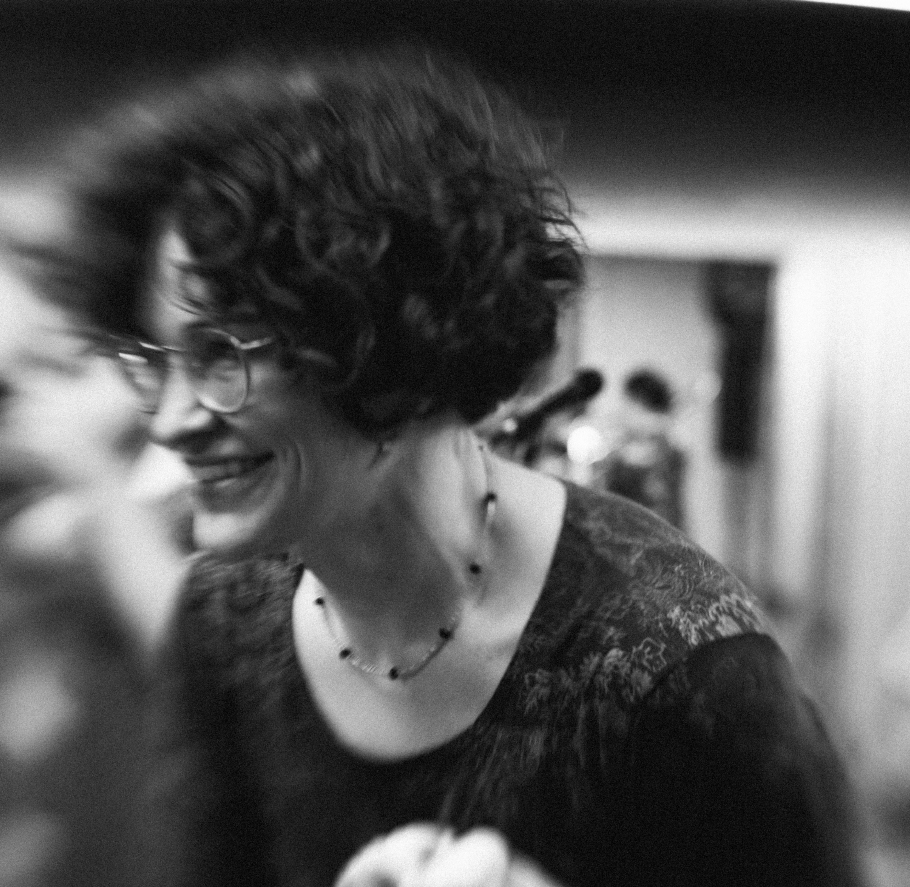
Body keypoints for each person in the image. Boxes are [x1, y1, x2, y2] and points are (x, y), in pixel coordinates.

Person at [43, 50, 862, 887]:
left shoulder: (680, 667)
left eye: (223, 352)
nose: (172, 422)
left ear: (381, 343)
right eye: (155, 361)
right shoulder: (223, 624)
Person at [596, 367, 688, 529]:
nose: (624, 410)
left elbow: (659, 493)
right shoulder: (619, 446)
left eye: (631, 404)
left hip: (657, 530)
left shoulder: (670, 448)